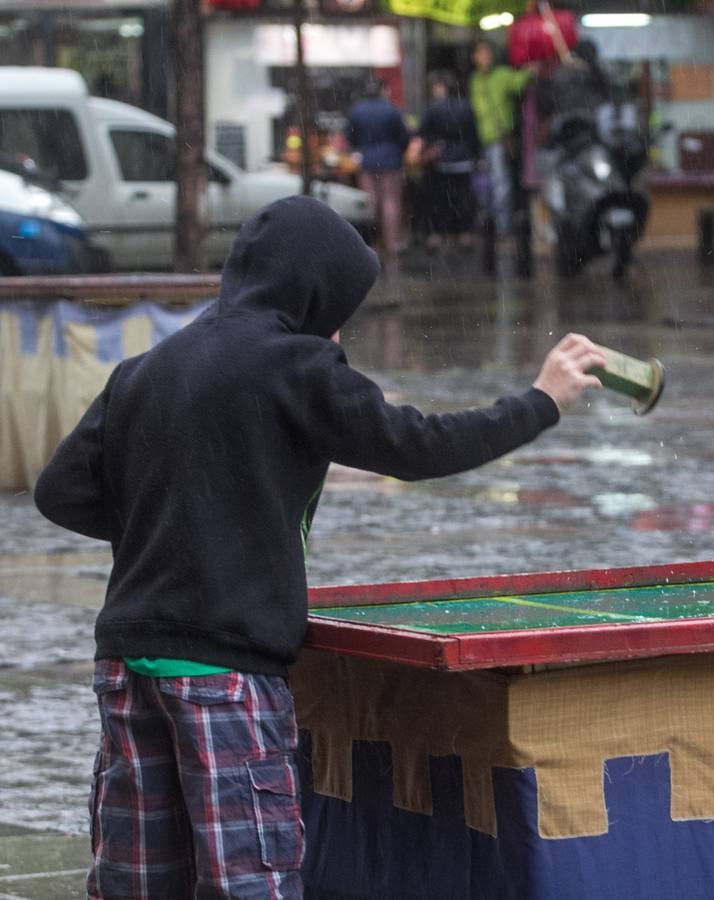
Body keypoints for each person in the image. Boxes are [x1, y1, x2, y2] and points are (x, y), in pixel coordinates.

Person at [32, 196, 606, 899]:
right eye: (340, 307)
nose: (339, 329)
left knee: (141, 882)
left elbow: (58, 491)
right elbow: (418, 445)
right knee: (250, 881)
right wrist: (541, 401)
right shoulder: (297, 366)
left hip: (125, 669)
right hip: (225, 672)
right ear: (311, 294)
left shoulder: (147, 370)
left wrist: (173, 530)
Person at [469, 39, 534, 236]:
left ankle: (501, 227)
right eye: (481, 54)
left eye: (487, 53)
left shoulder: (502, 75)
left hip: (498, 139)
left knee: (500, 184)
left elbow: (519, 82)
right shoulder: (474, 80)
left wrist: (531, 69)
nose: (484, 58)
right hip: (481, 139)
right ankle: (491, 224)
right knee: (486, 186)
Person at [417, 69, 480, 249]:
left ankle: (437, 233)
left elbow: (423, 133)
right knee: (464, 198)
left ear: (441, 87)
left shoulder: (433, 108)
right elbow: (474, 135)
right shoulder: (467, 107)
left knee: (439, 199)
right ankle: (464, 233)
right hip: (464, 160)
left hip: (440, 160)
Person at [346, 81, 410, 256]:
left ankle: (371, 242)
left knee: (370, 202)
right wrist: (398, 150)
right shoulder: (392, 110)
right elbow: (404, 136)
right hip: (391, 160)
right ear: (383, 91)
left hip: (367, 160)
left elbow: (350, 135)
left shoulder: (357, 110)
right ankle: (392, 242)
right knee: (391, 202)